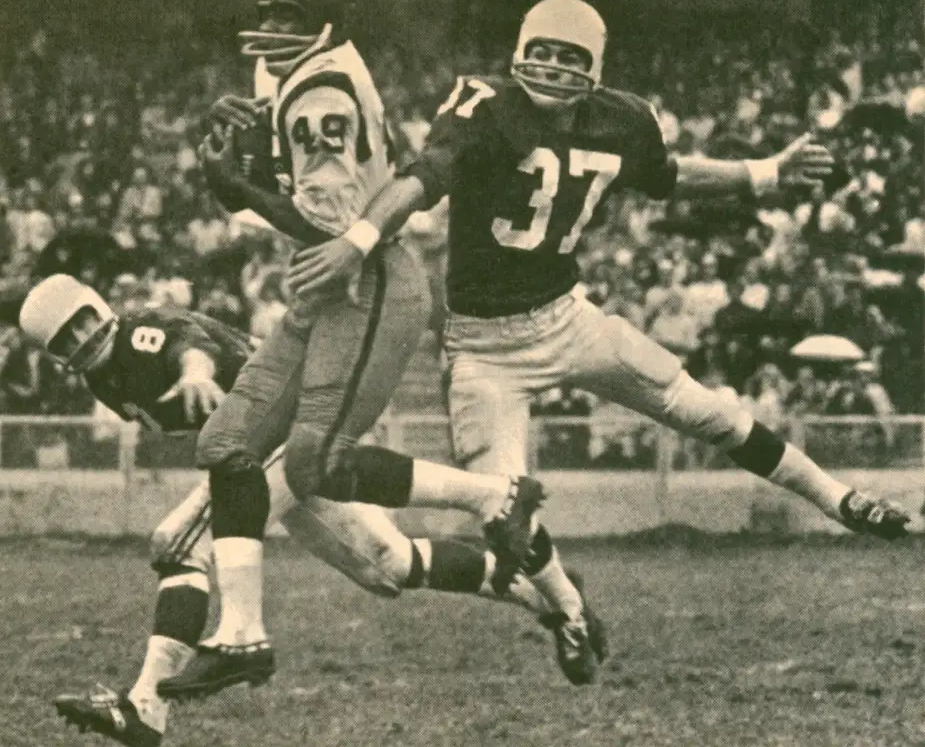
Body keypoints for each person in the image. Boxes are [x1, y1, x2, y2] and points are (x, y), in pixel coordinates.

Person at [286, 0, 912, 686]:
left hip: (568, 318)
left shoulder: (623, 118)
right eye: (542, 51)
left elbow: (666, 178)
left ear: (595, 67)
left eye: (569, 55)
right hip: (483, 347)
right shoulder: (484, 106)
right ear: (519, 51)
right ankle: (569, 611)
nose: (552, 67)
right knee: (503, 510)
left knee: (706, 411)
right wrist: (360, 239)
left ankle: (838, 499)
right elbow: (421, 178)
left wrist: (762, 174)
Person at [157, 0, 546, 702]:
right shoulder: (300, 73)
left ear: (326, 23)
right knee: (227, 446)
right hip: (324, 285)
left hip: (365, 282)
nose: (270, 29)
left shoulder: (323, 89)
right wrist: (234, 162)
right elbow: (289, 193)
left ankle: (492, 498)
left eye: (287, 17)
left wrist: (232, 188)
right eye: (267, 12)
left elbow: (328, 229)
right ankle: (240, 634)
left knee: (315, 466)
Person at [15, 274, 603, 747]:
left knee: (179, 543)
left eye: (82, 324)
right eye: (64, 340)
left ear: (98, 307)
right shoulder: (105, 381)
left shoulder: (139, 329)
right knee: (388, 565)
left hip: (273, 434)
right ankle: (540, 593)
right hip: (257, 446)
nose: (80, 340)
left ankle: (144, 709)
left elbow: (184, 346)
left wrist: (195, 375)